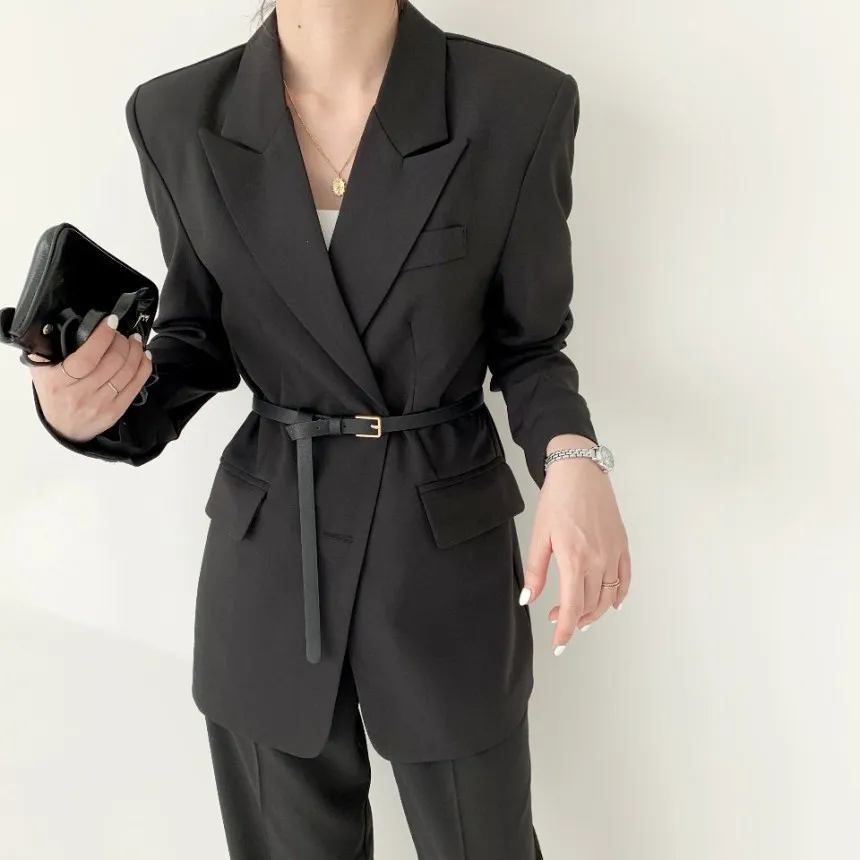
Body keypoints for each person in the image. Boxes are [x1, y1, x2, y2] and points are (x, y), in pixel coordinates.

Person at [26, 1, 630, 857]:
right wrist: (83, 408)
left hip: (441, 559)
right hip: (270, 560)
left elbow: (530, 347)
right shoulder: (174, 115)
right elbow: (195, 340)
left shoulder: (517, 104)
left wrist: (573, 459)